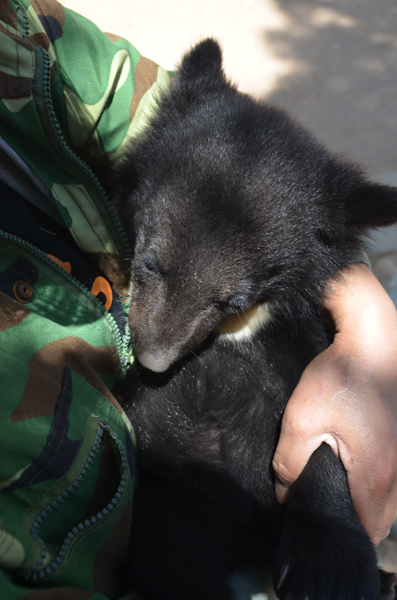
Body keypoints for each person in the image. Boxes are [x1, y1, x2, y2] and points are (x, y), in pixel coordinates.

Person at [0, 1, 396, 599]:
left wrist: (369, 334)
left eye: (226, 300)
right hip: (123, 532)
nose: (157, 350)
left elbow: (129, 92)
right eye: (152, 267)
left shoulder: (14, 33)